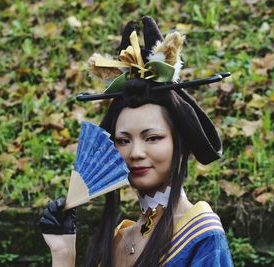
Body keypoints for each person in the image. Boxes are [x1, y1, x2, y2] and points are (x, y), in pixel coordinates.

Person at [40, 16, 234, 267]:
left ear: (181, 143)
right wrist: (63, 253)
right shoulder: (118, 238)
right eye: (122, 141)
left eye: (152, 138)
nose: (135, 153)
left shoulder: (201, 236)